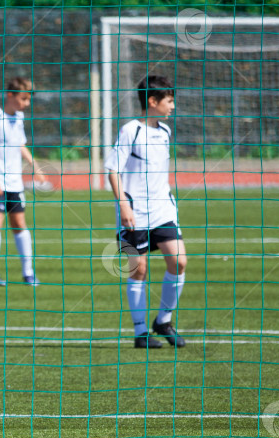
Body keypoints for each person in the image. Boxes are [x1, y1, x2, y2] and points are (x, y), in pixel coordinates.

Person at [103, 75, 187, 349]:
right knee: (138, 270)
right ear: (153, 101)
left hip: (163, 210)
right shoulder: (130, 130)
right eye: (169, 100)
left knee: (179, 261)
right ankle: (141, 333)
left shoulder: (165, 132)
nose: (173, 106)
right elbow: (112, 169)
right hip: (134, 212)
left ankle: (163, 321)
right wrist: (124, 204)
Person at [0, 77, 44, 286]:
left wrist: (35, 165)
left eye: (28, 99)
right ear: (10, 96)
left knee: (19, 224)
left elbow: (20, 144)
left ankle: (28, 272)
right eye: (23, 99)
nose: (26, 103)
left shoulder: (19, 117)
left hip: (15, 182)